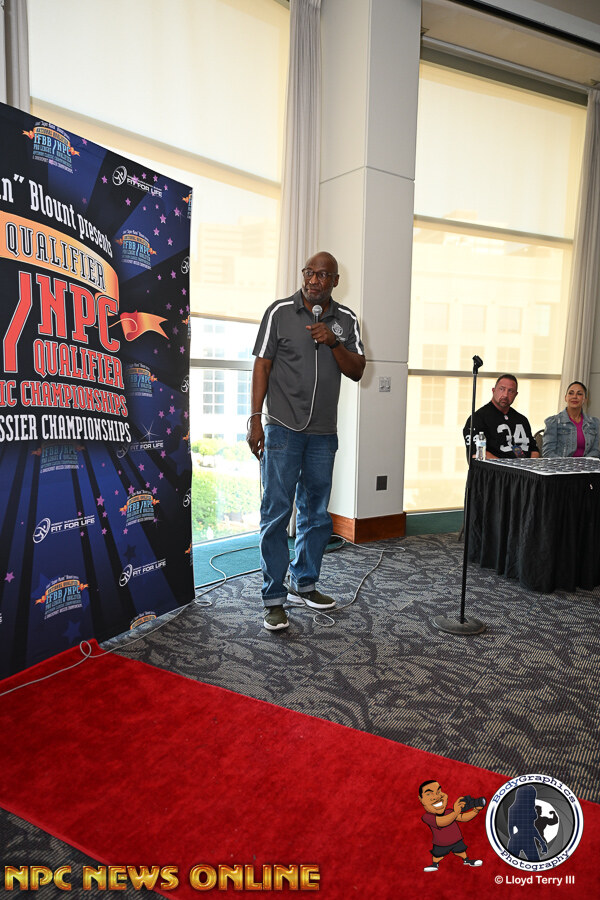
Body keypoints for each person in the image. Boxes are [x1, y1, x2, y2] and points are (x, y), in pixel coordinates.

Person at [247, 252, 366, 631]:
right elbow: (262, 364)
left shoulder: (346, 321)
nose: (314, 280)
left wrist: (334, 343)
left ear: (335, 281)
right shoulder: (279, 312)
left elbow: (358, 370)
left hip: (322, 434)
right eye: (309, 273)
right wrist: (255, 419)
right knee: (276, 513)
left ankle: (305, 582)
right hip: (282, 428)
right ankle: (273, 598)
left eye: (323, 275)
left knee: (316, 514)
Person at [463, 374, 540, 460]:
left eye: (510, 391)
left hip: (525, 467)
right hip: (495, 468)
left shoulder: (522, 420)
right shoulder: (477, 419)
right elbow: (477, 454)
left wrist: (530, 464)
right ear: (493, 390)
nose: (505, 395)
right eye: (502, 389)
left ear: (516, 394)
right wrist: (505, 466)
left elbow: (534, 450)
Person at [418, 780, 483, 872]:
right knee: (437, 855)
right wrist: (456, 811)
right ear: (421, 799)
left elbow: (463, 817)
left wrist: (476, 810)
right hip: (441, 843)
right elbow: (442, 822)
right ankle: (435, 864)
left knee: (461, 851)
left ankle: (467, 860)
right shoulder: (427, 817)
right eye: (429, 794)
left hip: (456, 840)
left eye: (439, 792)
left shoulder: (449, 812)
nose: (437, 797)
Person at [542, 381, 600, 459]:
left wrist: (583, 463)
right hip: (561, 465)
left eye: (579, 394)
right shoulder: (553, 422)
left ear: (585, 399)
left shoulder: (594, 423)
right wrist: (568, 464)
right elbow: (548, 453)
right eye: (571, 393)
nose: (574, 396)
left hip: (586, 465)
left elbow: (595, 451)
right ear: (565, 398)